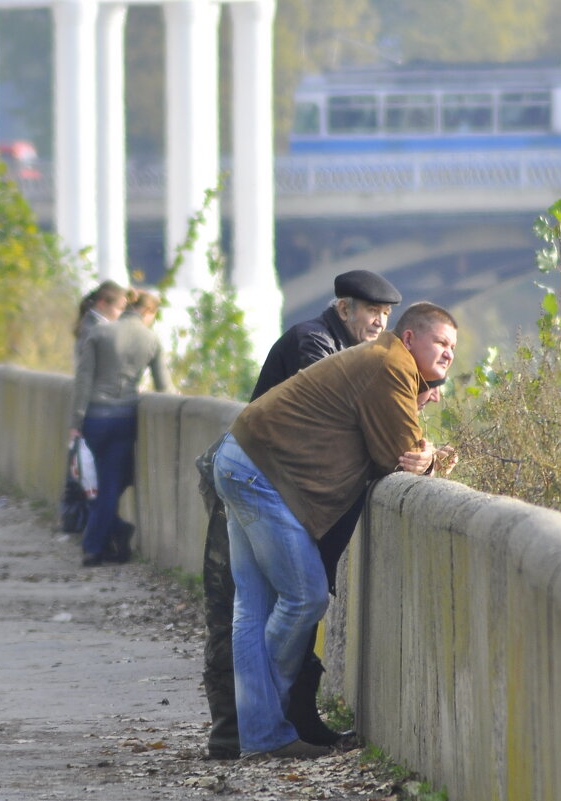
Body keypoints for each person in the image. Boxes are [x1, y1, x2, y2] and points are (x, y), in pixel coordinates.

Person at [212, 301, 458, 760]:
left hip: (240, 456)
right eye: (440, 342)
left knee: (253, 609)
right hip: (260, 473)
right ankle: (265, 719)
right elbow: (398, 456)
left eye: (452, 348)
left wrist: (419, 427)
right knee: (305, 596)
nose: (448, 355)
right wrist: (431, 454)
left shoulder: (383, 361)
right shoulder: (391, 365)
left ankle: (260, 736)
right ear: (410, 339)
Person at [197, 269, 403, 760]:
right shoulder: (314, 344)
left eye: (385, 314)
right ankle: (248, 728)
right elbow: (344, 419)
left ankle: (257, 732)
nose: (377, 322)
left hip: (256, 478)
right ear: (342, 308)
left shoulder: (343, 347)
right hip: (261, 483)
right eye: (369, 311)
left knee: (252, 609)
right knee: (280, 603)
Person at [70, 289, 172, 566]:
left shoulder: (100, 334)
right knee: (111, 484)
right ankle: (101, 542)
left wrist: (76, 420)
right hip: (125, 417)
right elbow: (164, 387)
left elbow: (83, 380)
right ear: (148, 312)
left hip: (94, 417)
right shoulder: (151, 338)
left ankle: (99, 543)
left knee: (90, 483)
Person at [73, 280, 128, 356]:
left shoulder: (92, 325)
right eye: (120, 308)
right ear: (102, 304)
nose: (122, 313)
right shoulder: (94, 329)